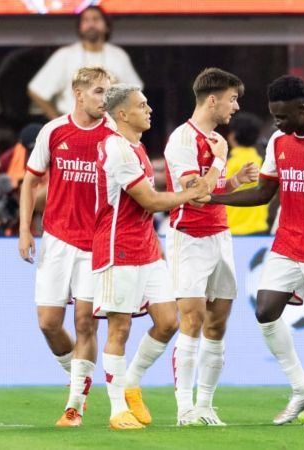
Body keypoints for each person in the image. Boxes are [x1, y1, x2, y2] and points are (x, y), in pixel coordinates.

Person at [209, 75, 304, 428]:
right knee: (265, 310)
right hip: (286, 243)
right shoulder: (279, 141)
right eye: (273, 116)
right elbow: (263, 193)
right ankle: (301, 388)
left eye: (281, 116)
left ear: (301, 108)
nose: (276, 123)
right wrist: (214, 198)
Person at [94, 84, 210, 430]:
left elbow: (152, 203)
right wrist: (188, 195)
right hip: (119, 248)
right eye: (142, 106)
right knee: (120, 326)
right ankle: (117, 411)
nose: (149, 110)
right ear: (122, 114)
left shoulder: (138, 147)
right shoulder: (116, 149)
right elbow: (150, 201)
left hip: (146, 248)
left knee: (168, 321)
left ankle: (130, 383)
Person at [18, 66, 115, 427]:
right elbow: (30, 181)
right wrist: (26, 230)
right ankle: (78, 374)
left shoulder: (114, 136)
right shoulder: (54, 131)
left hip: (95, 244)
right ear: (78, 93)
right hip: (56, 241)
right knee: (48, 323)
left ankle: (75, 403)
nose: (105, 100)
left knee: (85, 322)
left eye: (108, 92)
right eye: (100, 92)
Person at [163, 67, 256, 427]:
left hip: (220, 235)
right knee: (192, 317)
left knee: (218, 323)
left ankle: (206, 404)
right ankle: (184, 408)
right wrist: (220, 162)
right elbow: (197, 195)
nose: (235, 107)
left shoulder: (217, 139)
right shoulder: (183, 141)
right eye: (232, 99)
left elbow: (214, 192)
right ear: (213, 99)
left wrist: (233, 181)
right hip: (189, 235)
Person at [28, 5, 142, 120]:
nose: (91, 24)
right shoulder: (65, 55)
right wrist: (58, 122)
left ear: (106, 26)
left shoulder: (118, 56)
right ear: (80, 27)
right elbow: (37, 90)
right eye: (86, 20)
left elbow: (134, 93)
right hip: (73, 127)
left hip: (110, 127)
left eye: (96, 19)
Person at [225, 112, 268, 235]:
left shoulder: (228, 166)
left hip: (233, 233)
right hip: (259, 232)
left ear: (232, 136)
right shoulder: (263, 163)